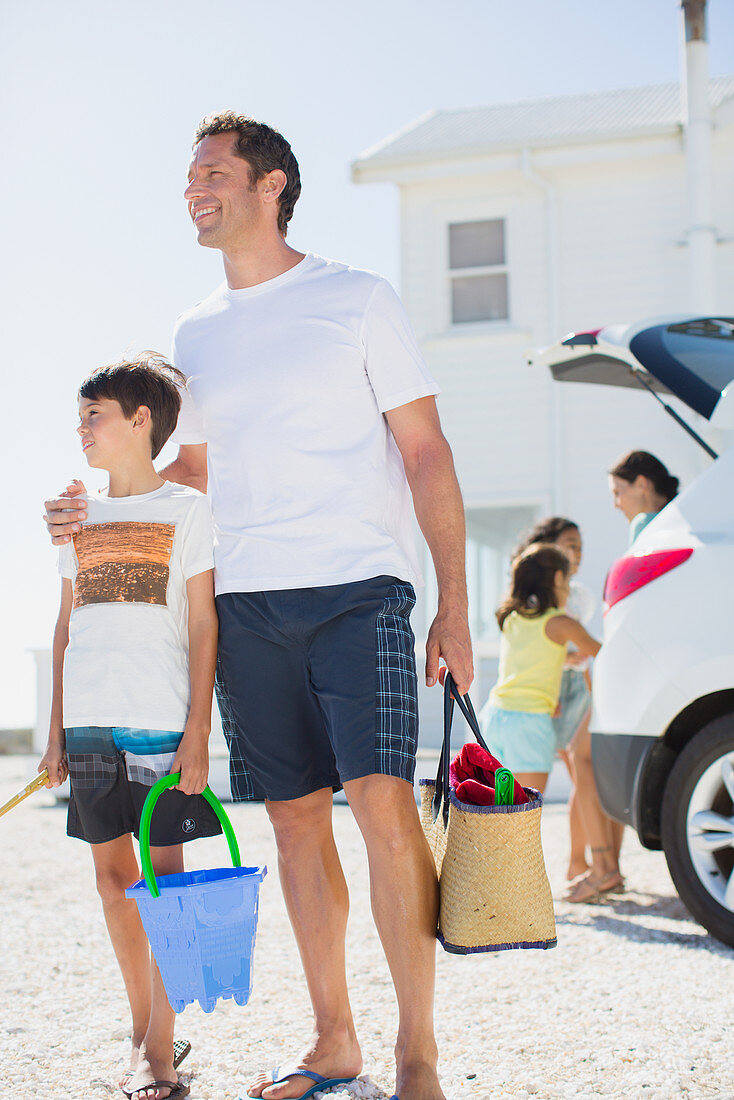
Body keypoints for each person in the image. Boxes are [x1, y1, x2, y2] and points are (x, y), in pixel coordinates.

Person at [44, 113, 473, 1100]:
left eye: (214, 172)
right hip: (245, 603)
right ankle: (334, 1041)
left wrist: (452, 603)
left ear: (271, 183)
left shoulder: (355, 298)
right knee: (288, 824)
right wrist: (92, 512)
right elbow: (184, 476)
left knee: (380, 802)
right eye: (188, 175)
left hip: (358, 587)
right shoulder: (197, 330)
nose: (194, 189)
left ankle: (417, 1054)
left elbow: (425, 452)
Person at [39, 355, 220, 1100]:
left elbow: (206, 625)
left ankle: (159, 1053)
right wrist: (54, 732)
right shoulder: (75, 514)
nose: (82, 429)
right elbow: (64, 626)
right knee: (114, 885)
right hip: (87, 723)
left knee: (164, 888)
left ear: (140, 421)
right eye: (80, 416)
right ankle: (146, 1028)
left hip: (159, 724)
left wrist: (199, 733)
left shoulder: (188, 511)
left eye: (95, 414)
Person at [479, 544, 600, 797]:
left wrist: (563, 659)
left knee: (498, 813)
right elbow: (601, 651)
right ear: (558, 578)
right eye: (568, 580)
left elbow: (530, 655)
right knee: (524, 817)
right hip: (529, 723)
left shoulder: (512, 616)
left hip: (495, 717)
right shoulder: (561, 623)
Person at [513, 517, 595, 881]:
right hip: (544, 702)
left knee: (513, 806)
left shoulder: (514, 616)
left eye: (579, 546)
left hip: (517, 710)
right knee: (530, 806)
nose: (575, 554)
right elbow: (595, 651)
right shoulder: (556, 616)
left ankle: (578, 863)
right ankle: (533, 882)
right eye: (567, 546)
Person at [608, 450, 679, 543]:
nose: (615, 505)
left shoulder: (643, 523)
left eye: (617, 493)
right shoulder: (687, 521)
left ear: (641, 484)